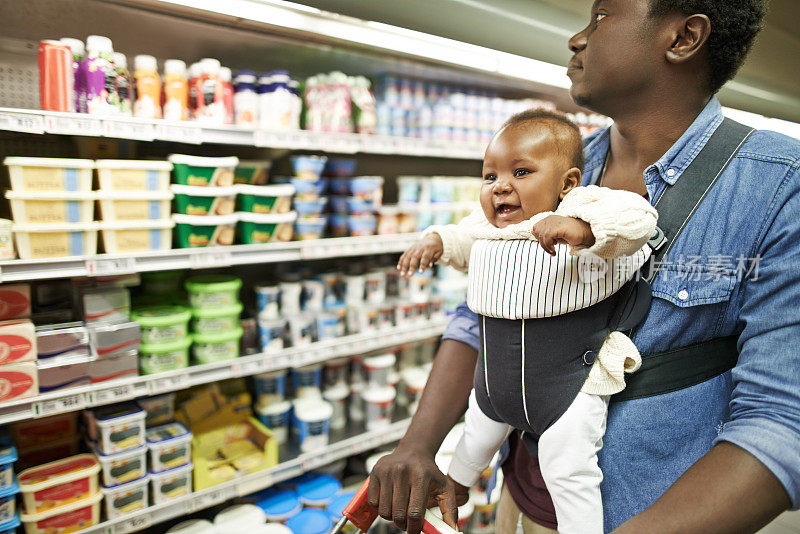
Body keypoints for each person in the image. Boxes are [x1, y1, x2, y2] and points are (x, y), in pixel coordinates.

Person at [368, 0, 800, 533]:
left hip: (652, 515)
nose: (576, 39)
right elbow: (482, 316)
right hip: (520, 503)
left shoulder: (777, 186)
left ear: (684, 37)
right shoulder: (544, 168)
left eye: (601, 17)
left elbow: (781, 420)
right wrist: (419, 442)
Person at [396, 109, 657, 534]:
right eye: (490, 176)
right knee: (475, 436)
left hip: (566, 380)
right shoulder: (488, 225)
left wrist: (583, 229)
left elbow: (639, 220)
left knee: (568, 466)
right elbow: (462, 238)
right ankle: (456, 486)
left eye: (521, 172)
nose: (501, 186)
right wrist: (435, 240)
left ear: (568, 182)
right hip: (494, 380)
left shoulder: (583, 204)